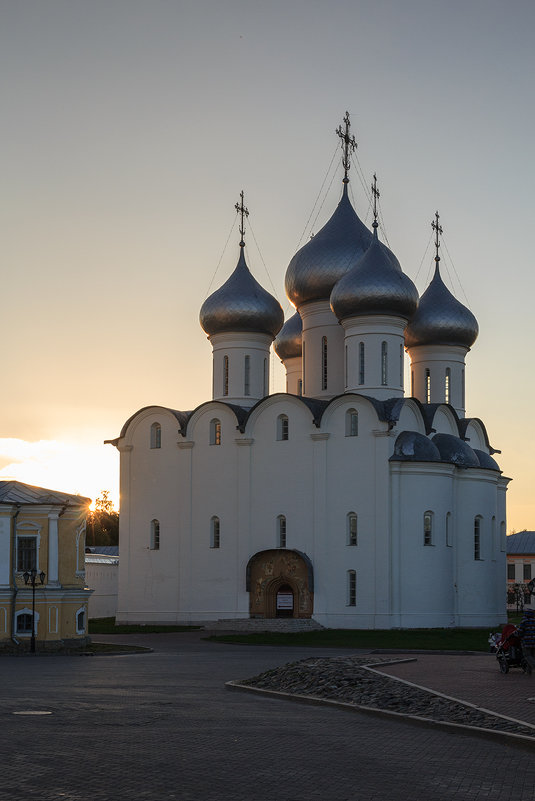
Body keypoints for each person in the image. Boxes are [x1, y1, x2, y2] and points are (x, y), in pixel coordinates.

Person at [517, 608, 535, 674]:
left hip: (526, 642)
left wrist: (518, 634)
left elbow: (520, 632)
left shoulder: (524, 621)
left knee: (527, 655)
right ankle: (528, 671)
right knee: (532, 656)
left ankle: (533, 666)